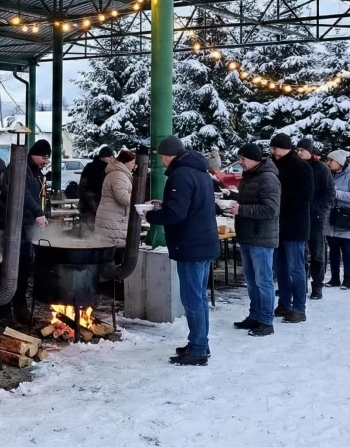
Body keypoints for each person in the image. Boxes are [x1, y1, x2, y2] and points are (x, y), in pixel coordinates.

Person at [143, 137, 219, 366]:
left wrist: (149, 215)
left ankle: (198, 350)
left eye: (162, 156)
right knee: (199, 298)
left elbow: (176, 214)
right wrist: (164, 205)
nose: (162, 161)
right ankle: (200, 343)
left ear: (168, 155)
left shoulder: (180, 174)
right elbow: (189, 205)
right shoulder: (200, 172)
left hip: (191, 245)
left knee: (192, 300)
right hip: (204, 242)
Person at [0, 138, 51, 326]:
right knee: (8, 270)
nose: (46, 161)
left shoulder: (36, 172)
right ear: (34, 154)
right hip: (9, 224)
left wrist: (45, 212)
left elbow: (40, 196)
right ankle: (4, 312)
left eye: (47, 158)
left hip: (26, 226)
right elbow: (21, 193)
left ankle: (21, 308)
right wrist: (38, 212)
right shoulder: (17, 168)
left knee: (24, 269)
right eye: (44, 157)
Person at [226, 142, 280, 337]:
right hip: (248, 235)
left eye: (243, 159)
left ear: (254, 159)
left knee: (263, 281)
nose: (240, 162)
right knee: (251, 280)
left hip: (261, 237)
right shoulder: (250, 176)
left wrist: (240, 209)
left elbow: (271, 209)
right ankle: (255, 315)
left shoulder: (268, 178)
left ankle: (266, 320)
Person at [268, 133, 312, 323]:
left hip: (295, 224)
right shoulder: (273, 164)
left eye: (275, 148)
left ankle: (299, 307)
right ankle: (284, 303)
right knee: (281, 268)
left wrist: (278, 198)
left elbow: (305, 195)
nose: (273, 152)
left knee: (296, 268)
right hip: (278, 224)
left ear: (285, 148)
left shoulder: (301, 167)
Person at [296, 139, 333, 300]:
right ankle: (300, 284)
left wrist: (316, 208)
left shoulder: (321, 169)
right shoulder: (295, 167)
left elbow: (329, 193)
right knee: (299, 252)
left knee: (317, 252)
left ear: (310, 151)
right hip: (298, 216)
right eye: (297, 150)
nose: (299, 153)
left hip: (315, 216)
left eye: (302, 150)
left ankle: (317, 286)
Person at [325, 150, 350, 289]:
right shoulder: (329, 174)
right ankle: (334, 277)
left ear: (339, 161)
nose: (328, 163)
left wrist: (335, 193)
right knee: (333, 248)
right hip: (332, 216)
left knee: (346, 249)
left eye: (331, 160)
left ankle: (347, 279)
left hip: (346, 216)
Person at [95, 150, 136, 247]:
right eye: (132, 163)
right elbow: (123, 198)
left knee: (106, 246)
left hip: (112, 218)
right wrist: (138, 198)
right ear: (125, 162)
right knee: (112, 248)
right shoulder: (119, 175)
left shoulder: (119, 174)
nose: (134, 166)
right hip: (114, 220)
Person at [77, 146, 114, 232]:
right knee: (89, 230)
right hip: (89, 205)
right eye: (110, 157)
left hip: (99, 205)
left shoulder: (108, 169)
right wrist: (90, 203)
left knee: (96, 231)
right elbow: (82, 188)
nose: (111, 159)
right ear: (104, 157)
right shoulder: (92, 168)